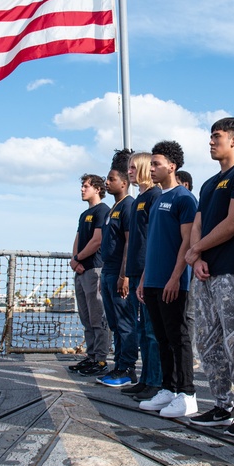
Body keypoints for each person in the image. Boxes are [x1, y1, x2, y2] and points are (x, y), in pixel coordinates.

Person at [186, 118, 234, 437]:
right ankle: (222, 404)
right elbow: (198, 224)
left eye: (216, 136)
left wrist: (196, 251)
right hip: (206, 270)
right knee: (207, 340)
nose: (211, 141)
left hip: (233, 268)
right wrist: (197, 255)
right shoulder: (207, 184)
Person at [137, 141, 199, 418]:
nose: (151, 168)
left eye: (156, 164)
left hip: (173, 281)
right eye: (151, 164)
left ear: (172, 166)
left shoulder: (184, 199)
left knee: (178, 337)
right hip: (152, 280)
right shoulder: (157, 198)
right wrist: (142, 279)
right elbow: (153, 243)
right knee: (161, 338)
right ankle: (168, 389)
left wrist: (176, 277)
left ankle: (187, 394)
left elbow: (187, 241)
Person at [121, 152, 163, 401]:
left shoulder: (154, 196)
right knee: (141, 328)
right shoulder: (140, 198)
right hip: (135, 270)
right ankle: (145, 377)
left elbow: (152, 237)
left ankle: (155, 381)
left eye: (134, 167)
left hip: (147, 271)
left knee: (150, 330)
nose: (130, 171)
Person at [97, 150, 138, 387]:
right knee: (114, 323)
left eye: (111, 179)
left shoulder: (128, 206)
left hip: (119, 273)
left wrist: (124, 276)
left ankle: (128, 368)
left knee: (125, 322)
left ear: (124, 183)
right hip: (107, 271)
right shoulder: (113, 208)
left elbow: (130, 242)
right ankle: (118, 365)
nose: (107, 182)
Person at [68, 174, 111, 376]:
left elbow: (97, 240)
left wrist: (80, 259)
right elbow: (78, 238)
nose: (82, 190)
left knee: (98, 317)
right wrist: (75, 259)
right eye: (82, 186)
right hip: (81, 270)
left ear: (97, 189)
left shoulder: (103, 211)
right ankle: (91, 355)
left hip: (94, 269)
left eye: (86, 186)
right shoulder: (83, 214)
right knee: (86, 317)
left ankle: (101, 359)